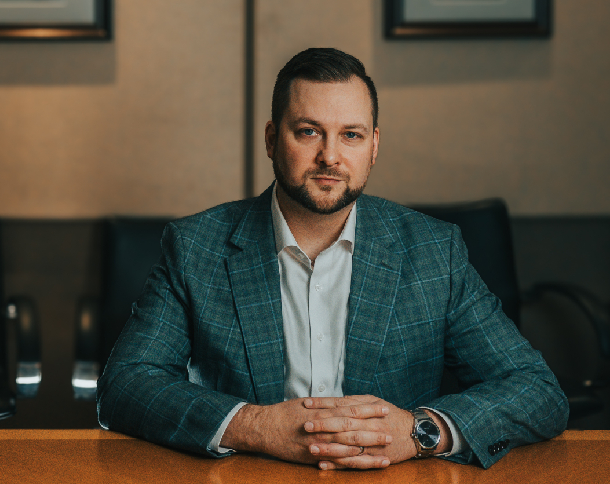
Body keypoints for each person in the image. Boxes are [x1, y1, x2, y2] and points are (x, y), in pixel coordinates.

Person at [96, 47, 567, 470]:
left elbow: (535, 388)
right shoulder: (196, 246)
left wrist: (421, 432)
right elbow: (125, 385)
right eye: (308, 132)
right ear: (271, 139)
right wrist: (255, 427)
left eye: (351, 135)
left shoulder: (432, 252)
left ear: (374, 146)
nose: (330, 157)